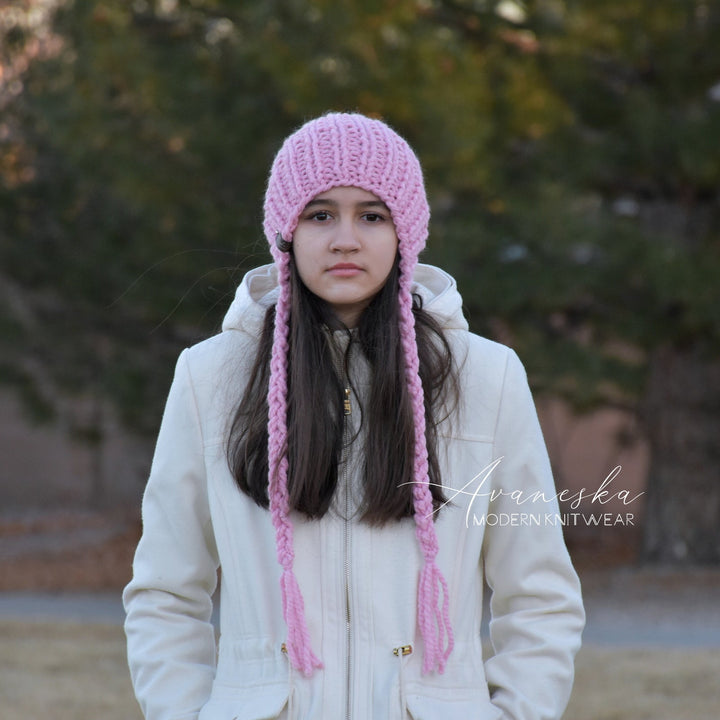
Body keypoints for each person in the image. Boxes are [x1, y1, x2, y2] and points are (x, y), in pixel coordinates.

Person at [123, 112, 585, 720]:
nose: (346, 239)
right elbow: (165, 593)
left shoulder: (488, 378)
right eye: (320, 215)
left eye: (371, 215)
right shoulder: (211, 378)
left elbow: (539, 596)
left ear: (405, 233)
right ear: (286, 232)